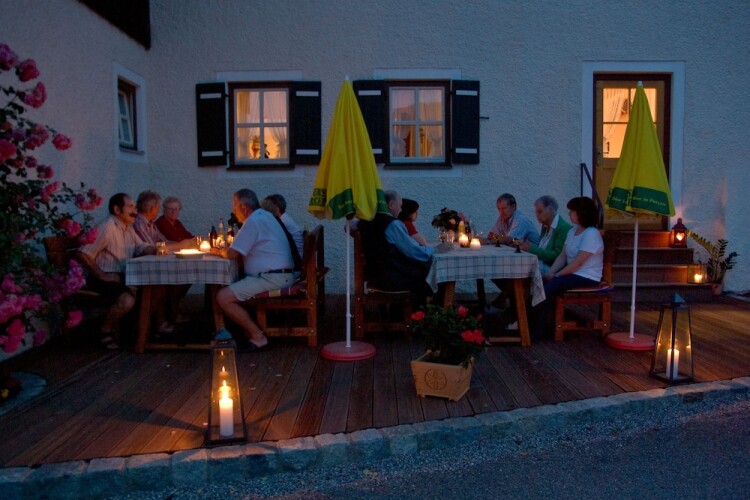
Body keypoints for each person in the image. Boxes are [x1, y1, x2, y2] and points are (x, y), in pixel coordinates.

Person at [213, 189, 296, 351]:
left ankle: (258, 336)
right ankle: (236, 330)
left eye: (235, 207)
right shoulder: (266, 216)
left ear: (244, 207)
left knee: (223, 297)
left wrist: (218, 250)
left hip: (272, 278)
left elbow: (232, 254)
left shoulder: (253, 222)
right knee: (232, 288)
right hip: (281, 274)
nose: (234, 211)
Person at [77, 193, 156, 349]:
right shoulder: (107, 227)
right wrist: (102, 275)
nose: (135, 211)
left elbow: (142, 248)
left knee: (154, 290)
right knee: (127, 300)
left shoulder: (128, 227)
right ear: (117, 210)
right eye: (130, 207)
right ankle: (104, 330)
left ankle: (137, 333)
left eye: (135, 207)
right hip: (101, 279)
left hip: (120, 277)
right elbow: (82, 253)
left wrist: (168, 249)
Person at [531, 196, 604, 340]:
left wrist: (557, 275)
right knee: (539, 282)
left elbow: (578, 263)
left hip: (586, 276)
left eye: (572, 211)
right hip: (573, 273)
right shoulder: (573, 231)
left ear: (581, 213)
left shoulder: (591, 234)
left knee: (548, 288)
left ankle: (539, 330)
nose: (569, 213)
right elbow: (562, 256)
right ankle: (535, 323)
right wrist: (551, 272)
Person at [356, 190, 434, 300]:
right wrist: (434, 250)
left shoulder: (364, 222)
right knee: (431, 270)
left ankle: (398, 309)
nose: (401, 210)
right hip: (393, 278)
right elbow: (414, 252)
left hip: (374, 276)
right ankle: (422, 310)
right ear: (391, 205)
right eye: (400, 206)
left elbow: (349, 227)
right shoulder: (392, 224)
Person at [520, 195, 572, 275]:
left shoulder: (563, 227)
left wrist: (532, 249)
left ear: (551, 210)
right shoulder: (545, 225)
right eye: (536, 212)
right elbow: (542, 248)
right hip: (541, 264)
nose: (537, 215)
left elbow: (557, 255)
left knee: (521, 268)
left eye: (540, 211)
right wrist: (529, 246)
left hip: (553, 269)